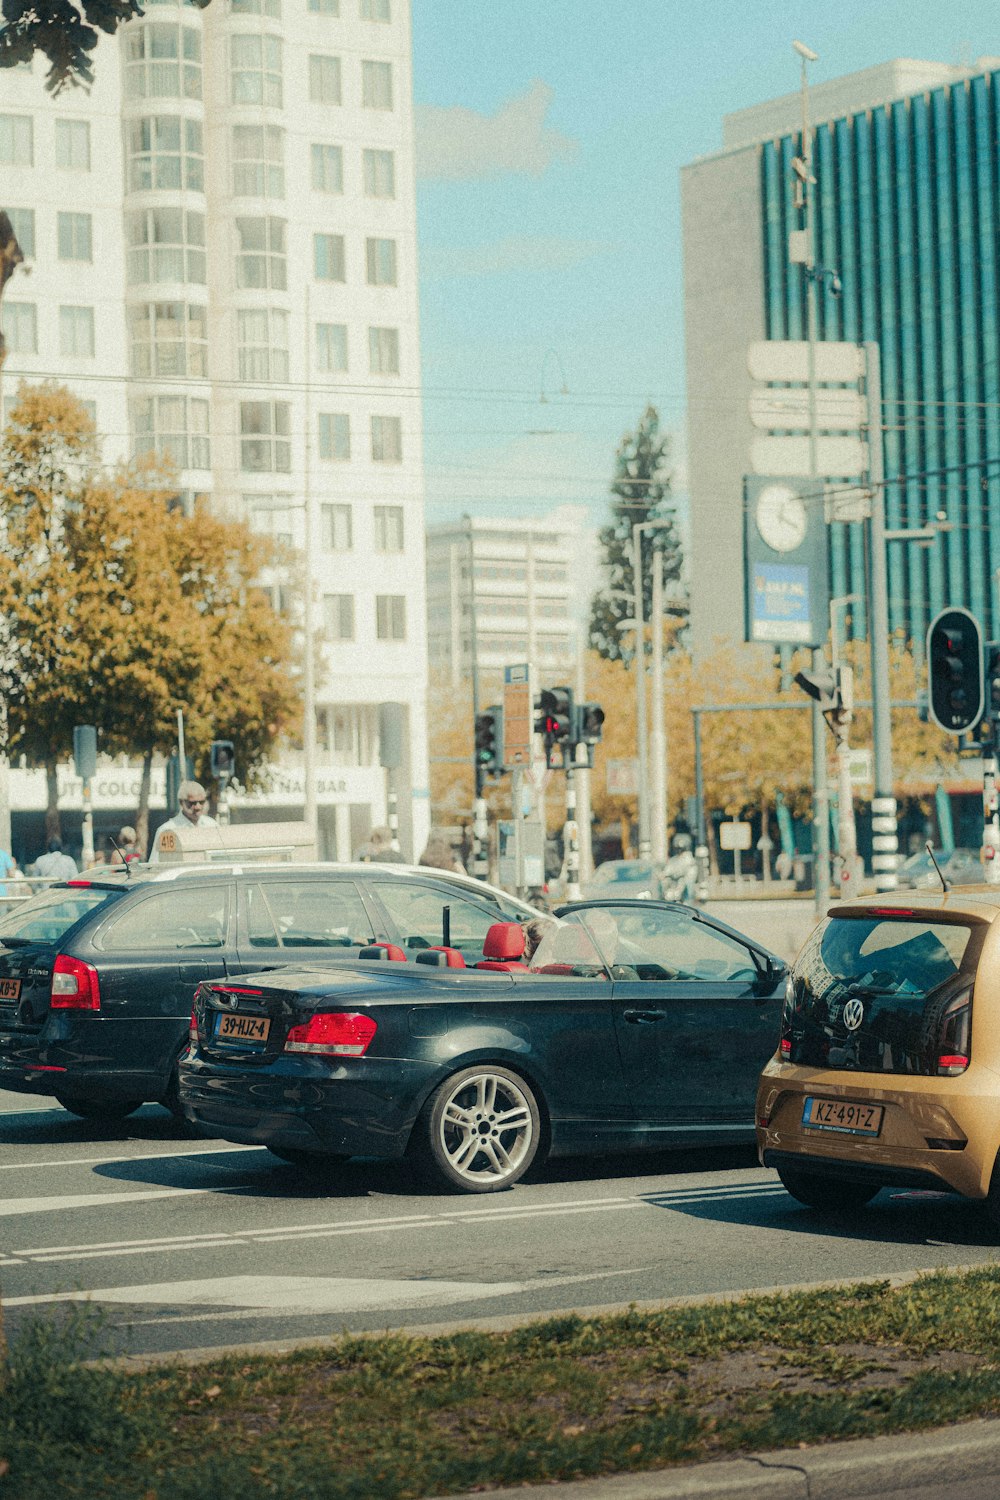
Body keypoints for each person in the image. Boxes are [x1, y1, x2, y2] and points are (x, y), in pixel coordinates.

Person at [149, 780, 218, 862]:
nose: (198, 807)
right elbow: (155, 863)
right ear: (181, 802)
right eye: (192, 803)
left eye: (201, 802)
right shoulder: (167, 830)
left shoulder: (212, 825)